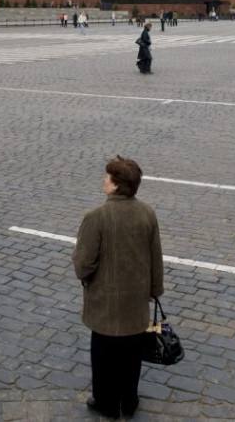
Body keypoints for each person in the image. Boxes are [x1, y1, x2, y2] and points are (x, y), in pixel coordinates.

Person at [72, 156, 164, 420]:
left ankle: (106, 402)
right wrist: (155, 289)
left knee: (103, 356)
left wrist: (86, 279)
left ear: (116, 185)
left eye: (108, 177)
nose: (104, 180)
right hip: (136, 302)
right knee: (132, 356)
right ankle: (129, 400)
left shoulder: (96, 217)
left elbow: (84, 263)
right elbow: (155, 256)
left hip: (105, 302)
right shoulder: (147, 212)